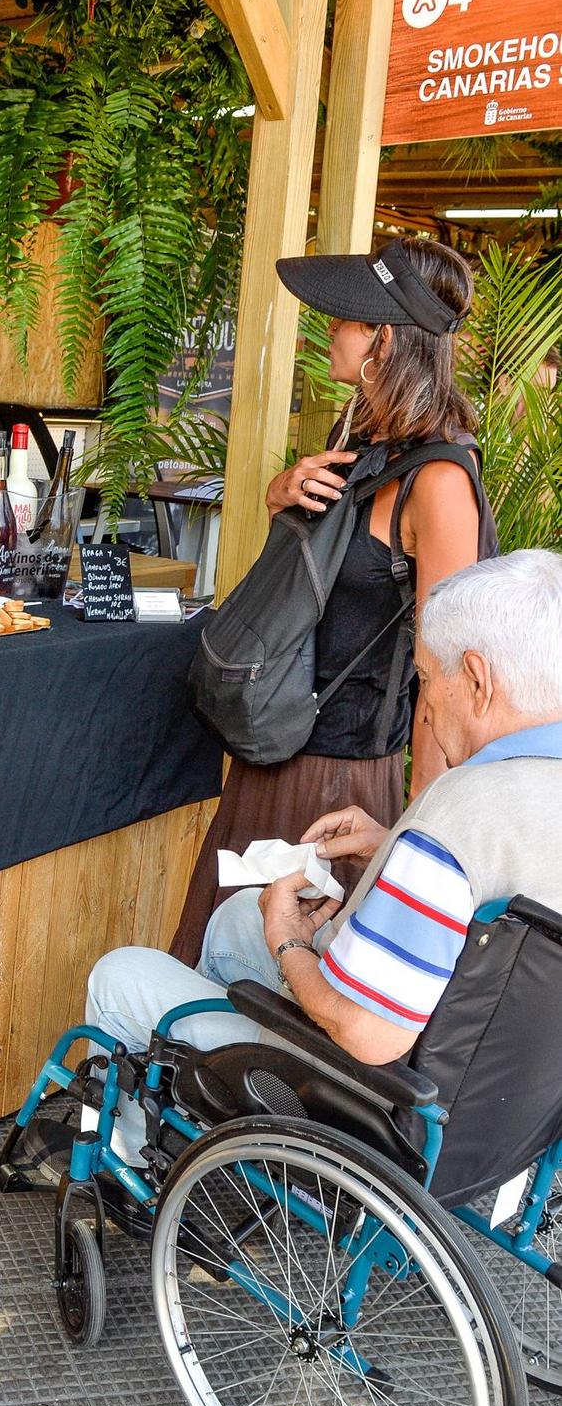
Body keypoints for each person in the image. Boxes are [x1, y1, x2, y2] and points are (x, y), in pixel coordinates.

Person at [89, 552, 562, 1158]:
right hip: (512, 1112)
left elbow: (368, 1035)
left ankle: (142, 1160)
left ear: (476, 677)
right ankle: (206, 1118)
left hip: (379, 1105)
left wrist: (288, 943)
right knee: (235, 922)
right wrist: (390, 848)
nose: (426, 703)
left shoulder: (459, 814)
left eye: (425, 677)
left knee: (120, 975)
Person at [171, 238, 492, 964]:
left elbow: (446, 674)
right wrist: (276, 497)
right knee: (217, 968)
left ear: (382, 337)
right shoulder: (358, 439)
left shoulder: (438, 482)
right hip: (274, 749)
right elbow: (318, 586)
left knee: (280, 989)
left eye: (344, 320)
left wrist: (416, 837)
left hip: (338, 785)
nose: (328, 331)